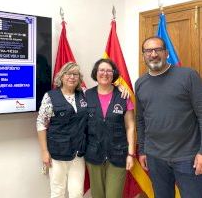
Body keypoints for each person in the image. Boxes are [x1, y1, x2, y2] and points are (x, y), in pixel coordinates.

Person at [136, 36, 202, 198]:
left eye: (158, 50)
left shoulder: (188, 76)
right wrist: (143, 150)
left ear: (166, 53)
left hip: (188, 157)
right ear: (143, 55)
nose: (153, 54)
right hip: (155, 157)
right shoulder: (140, 83)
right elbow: (141, 119)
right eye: (148, 51)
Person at [85, 58, 135, 198]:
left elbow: (130, 126)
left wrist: (131, 154)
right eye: (102, 70)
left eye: (109, 70)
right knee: (98, 195)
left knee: (114, 195)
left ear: (114, 74)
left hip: (118, 154)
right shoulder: (86, 95)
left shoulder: (123, 96)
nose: (105, 73)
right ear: (96, 72)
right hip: (94, 154)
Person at [36, 62, 87, 198]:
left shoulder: (85, 94)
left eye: (75, 74)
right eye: (68, 73)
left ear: (79, 77)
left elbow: (103, 92)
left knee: (77, 193)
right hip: (57, 153)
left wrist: (119, 87)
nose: (72, 77)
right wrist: (44, 151)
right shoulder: (50, 96)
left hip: (78, 153)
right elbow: (41, 124)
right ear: (62, 76)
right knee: (57, 192)